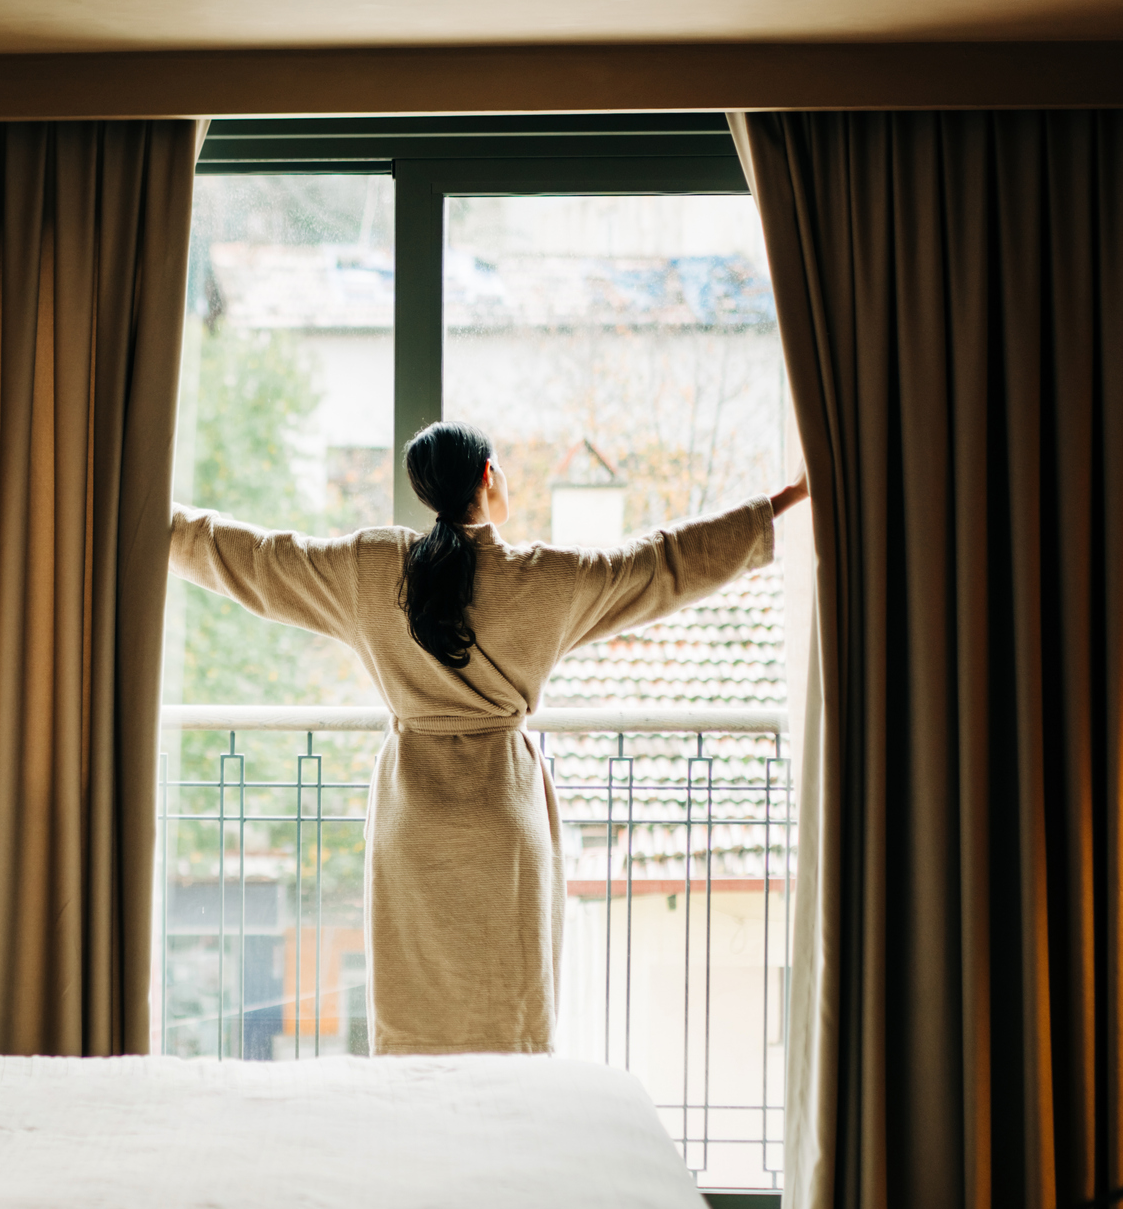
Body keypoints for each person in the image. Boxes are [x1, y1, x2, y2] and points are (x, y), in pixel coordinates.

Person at [168, 421, 811, 1055]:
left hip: (412, 819)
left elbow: (256, 560)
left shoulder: (370, 568)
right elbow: (662, 563)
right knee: (511, 1016)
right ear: (487, 477)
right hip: (503, 818)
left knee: (415, 1013)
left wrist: (161, 521)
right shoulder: (545, 580)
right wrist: (780, 503)